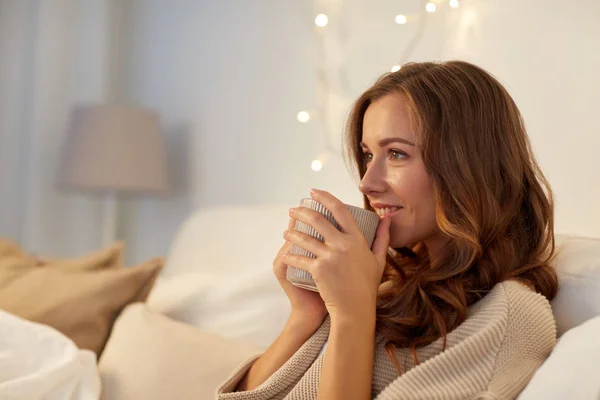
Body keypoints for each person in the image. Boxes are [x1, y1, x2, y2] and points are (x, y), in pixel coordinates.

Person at [217, 60, 558, 399]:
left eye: (396, 154)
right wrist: (307, 313)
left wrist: (353, 315)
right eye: (368, 154)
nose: (367, 183)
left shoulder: (511, 317)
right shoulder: (386, 286)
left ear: (469, 166)